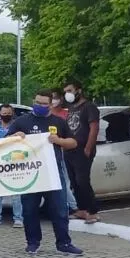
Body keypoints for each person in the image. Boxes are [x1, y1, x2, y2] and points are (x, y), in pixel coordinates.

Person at [7, 89, 84, 255]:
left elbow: (73, 143)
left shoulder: (59, 122)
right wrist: (15, 137)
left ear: (51, 104)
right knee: (29, 209)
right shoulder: (22, 121)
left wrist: (59, 141)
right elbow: (5, 142)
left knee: (60, 210)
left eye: (43, 104)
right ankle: (33, 242)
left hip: (53, 174)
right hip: (30, 175)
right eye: (37, 102)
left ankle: (64, 243)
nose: (39, 106)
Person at [63, 80, 100, 224]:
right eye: (66, 91)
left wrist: (88, 148)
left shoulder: (89, 107)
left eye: (70, 90)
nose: (68, 94)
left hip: (82, 150)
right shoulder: (72, 108)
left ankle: (93, 211)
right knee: (74, 181)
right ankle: (82, 209)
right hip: (70, 150)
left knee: (82, 180)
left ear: (79, 90)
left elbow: (94, 128)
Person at [50, 89, 80, 217]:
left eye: (56, 98)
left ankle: (72, 207)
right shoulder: (45, 116)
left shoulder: (66, 115)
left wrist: (60, 141)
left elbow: (73, 137)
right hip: (46, 155)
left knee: (64, 181)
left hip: (62, 152)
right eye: (52, 98)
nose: (54, 101)